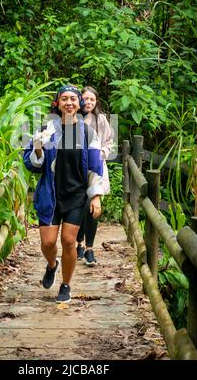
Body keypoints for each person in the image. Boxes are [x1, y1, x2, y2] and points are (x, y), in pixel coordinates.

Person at [23, 85, 104, 303]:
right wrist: (38, 149)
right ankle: (52, 264)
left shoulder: (88, 133)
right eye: (64, 99)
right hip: (50, 193)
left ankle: (66, 285)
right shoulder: (45, 129)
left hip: (76, 195)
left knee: (69, 241)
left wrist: (95, 195)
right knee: (48, 243)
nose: (69, 103)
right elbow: (32, 166)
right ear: (57, 103)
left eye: (73, 99)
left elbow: (96, 166)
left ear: (80, 104)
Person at [76, 86, 114, 266]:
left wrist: (102, 152)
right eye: (86, 99)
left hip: (97, 166)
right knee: (79, 207)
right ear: (80, 100)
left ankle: (90, 248)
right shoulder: (73, 118)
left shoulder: (101, 120)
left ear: (96, 101)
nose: (89, 102)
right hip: (77, 169)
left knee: (93, 208)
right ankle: (79, 244)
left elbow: (109, 141)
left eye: (92, 99)